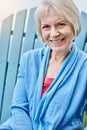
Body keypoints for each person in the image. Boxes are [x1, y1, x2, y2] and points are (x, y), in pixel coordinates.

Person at [0, 0, 87, 129]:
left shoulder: (84, 67)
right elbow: (19, 108)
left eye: (61, 24)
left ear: (74, 25)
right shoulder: (29, 59)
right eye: (46, 27)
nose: (54, 33)